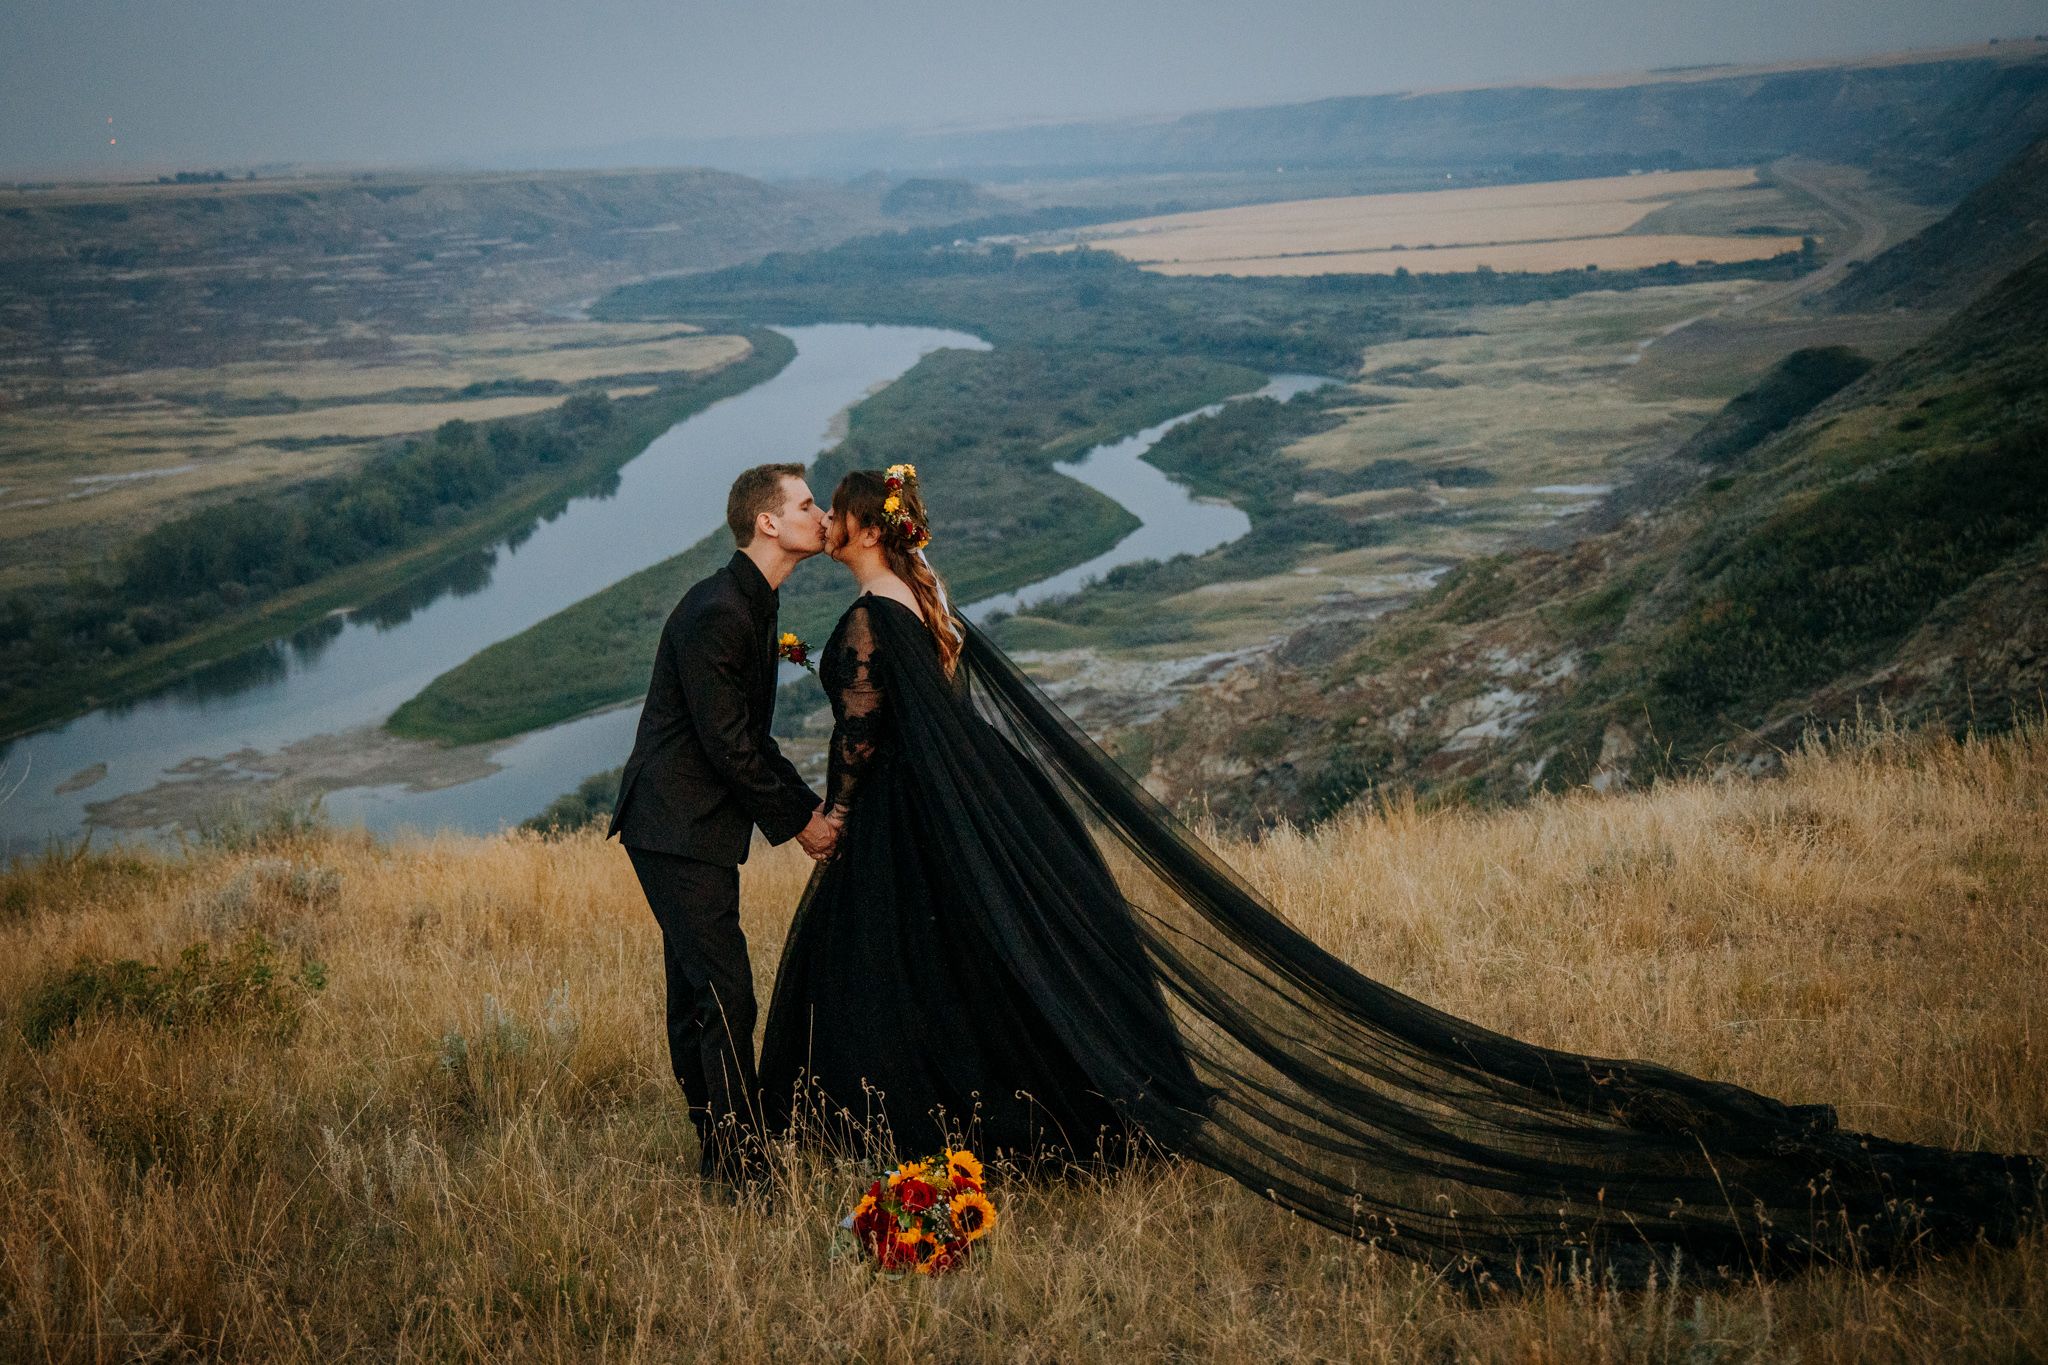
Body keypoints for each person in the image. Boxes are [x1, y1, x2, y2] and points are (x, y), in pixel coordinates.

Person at [757, 462, 2042, 1286]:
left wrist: (830, 819)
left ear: (863, 526)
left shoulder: (871, 619)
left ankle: (929, 1138)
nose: (820, 522)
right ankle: (1055, 1127)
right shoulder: (928, 602)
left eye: (832, 510)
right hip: (992, 826)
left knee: (901, 982)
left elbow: (868, 740)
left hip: (909, 837)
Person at [609, 462, 840, 1184]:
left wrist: (811, 808)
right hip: (673, 824)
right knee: (725, 993)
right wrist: (804, 820)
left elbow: (753, 737)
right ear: (767, 523)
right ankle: (743, 1163)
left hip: (693, 826)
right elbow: (729, 743)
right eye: (807, 505)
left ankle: (718, 1150)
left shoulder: (759, 606)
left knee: (695, 994)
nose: (822, 515)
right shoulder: (720, 610)